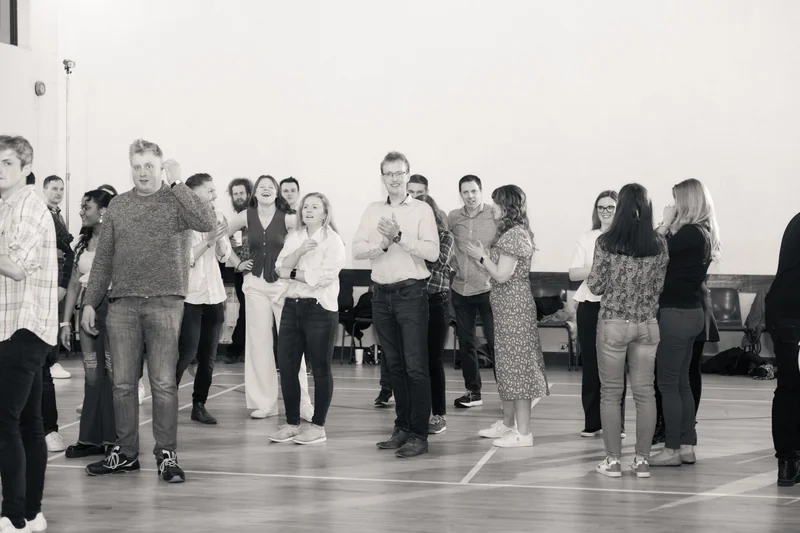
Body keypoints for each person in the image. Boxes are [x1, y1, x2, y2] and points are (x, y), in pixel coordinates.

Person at [82, 139, 216, 483]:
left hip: (165, 303)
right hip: (122, 305)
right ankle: (125, 454)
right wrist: (88, 302)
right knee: (123, 385)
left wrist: (179, 183)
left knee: (163, 384)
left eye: (149, 166)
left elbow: (206, 220)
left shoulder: (177, 199)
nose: (143, 172)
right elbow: (103, 261)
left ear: (161, 168)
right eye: (137, 166)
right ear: (131, 168)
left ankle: (166, 455)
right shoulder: (119, 206)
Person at [353, 151, 439, 458]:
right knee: (395, 366)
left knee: (416, 368)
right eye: (388, 173)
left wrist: (399, 236)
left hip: (411, 294)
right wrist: (384, 244)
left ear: (408, 175)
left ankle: (419, 434)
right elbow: (357, 250)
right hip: (381, 295)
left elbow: (432, 253)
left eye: (399, 173)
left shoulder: (422, 210)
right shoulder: (372, 209)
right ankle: (402, 428)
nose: (394, 178)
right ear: (382, 177)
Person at [588, 183, 668, 479]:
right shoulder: (659, 243)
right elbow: (659, 287)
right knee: (645, 393)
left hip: (613, 324)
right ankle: (643, 461)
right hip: (647, 325)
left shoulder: (606, 241)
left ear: (619, 207)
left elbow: (595, 286)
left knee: (610, 393)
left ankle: (612, 462)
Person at [0, 135, 56, 533]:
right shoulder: (8, 207)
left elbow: (16, 267)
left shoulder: (27, 207)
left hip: (23, 325)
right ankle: (32, 514)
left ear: (24, 168)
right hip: (17, 325)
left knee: (5, 422)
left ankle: (13, 516)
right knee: (27, 424)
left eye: (6, 163)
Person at [227, 175, 314, 420]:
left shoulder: (288, 219)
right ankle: (264, 403)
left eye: (270, 187)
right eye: (261, 187)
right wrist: (236, 262)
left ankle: (302, 404)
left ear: (276, 193)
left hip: (282, 287)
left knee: (291, 345)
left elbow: (308, 239)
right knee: (258, 344)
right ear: (255, 193)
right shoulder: (246, 216)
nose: (265, 190)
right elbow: (221, 235)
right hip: (254, 285)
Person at [468, 185, 548, 447]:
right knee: (506, 367)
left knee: (517, 370)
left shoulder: (514, 235)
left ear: (507, 206)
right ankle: (508, 424)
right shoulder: (512, 233)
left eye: (496, 203)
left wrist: (482, 257)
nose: (492, 207)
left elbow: (502, 275)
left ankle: (523, 433)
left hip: (514, 309)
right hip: (506, 309)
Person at [650, 179, 720, 467]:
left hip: (676, 314)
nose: (673, 206)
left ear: (687, 202)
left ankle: (671, 449)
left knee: (668, 384)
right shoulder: (703, 232)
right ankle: (687, 446)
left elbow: (652, 253)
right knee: (681, 384)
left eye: (676, 200)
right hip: (692, 314)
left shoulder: (689, 232)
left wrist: (665, 223)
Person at [269, 192, 346, 444]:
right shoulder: (295, 237)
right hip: (292, 306)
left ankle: (318, 426)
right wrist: (299, 253)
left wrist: (293, 272)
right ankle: (292, 423)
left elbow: (324, 276)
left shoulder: (333, 241)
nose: (309, 210)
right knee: (288, 367)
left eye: (315, 207)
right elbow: (279, 269)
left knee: (320, 368)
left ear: (325, 213)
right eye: (306, 207)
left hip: (319, 309)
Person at [61, 189, 117, 459]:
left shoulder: (118, 238)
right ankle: (89, 439)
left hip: (113, 310)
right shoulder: (82, 244)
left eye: (87, 206)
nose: (82, 210)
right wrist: (64, 322)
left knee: (113, 375)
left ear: (103, 211)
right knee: (93, 376)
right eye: (81, 206)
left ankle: (114, 439)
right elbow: (73, 284)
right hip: (86, 312)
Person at [569, 190, 627, 439]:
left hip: (617, 307)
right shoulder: (588, 237)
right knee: (591, 365)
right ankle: (592, 422)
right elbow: (573, 273)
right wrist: (600, 266)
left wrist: (595, 268)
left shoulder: (626, 239)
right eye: (601, 207)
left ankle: (617, 424)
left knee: (616, 366)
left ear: (619, 209)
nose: (605, 211)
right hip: (589, 306)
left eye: (610, 207)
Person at [175, 173, 231, 425]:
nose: (214, 195)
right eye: (209, 190)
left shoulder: (217, 217)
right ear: (193, 193)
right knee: (186, 353)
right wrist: (208, 241)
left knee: (209, 356)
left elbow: (224, 255)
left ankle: (199, 404)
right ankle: (167, 399)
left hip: (215, 296)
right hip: (190, 297)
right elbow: (185, 259)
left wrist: (219, 241)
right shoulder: (181, 219)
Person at [448, 175, 497, 408]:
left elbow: (502, 247)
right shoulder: (453, 217)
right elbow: (445, 243)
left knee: (495, 341)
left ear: (481, 191)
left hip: (488, 288)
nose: (470, 196)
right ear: (460, 194)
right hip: (460, 288)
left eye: (474, 191)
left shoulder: (493, 215)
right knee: (466, 343)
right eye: (465, 192)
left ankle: (508, 394)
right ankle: (473, 392)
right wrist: (450, 261)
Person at [38, 176, 73, 456]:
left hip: (42, 296)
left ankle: (50, 430)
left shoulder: (47, 216)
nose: (58, 193)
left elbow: (69, 250)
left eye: (62, 189)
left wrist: (61, 284)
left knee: (42, 371)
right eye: (54, 189)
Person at [766, 208, 800, 487]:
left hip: (782, 313)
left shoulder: (796, 221)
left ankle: (787, 464)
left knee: (788, 388)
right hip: (794, 315)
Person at [421, 195, 454, 435]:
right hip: (411, 303)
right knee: (413, 362)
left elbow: (438, 261)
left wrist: (413, 247)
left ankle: (438, 414)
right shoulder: (411, 239)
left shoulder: (445, 236)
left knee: (433, 361)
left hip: (436, 302)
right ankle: (417, 412)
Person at [224, 178, 253, 364]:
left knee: (252, 311)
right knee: (246, 310)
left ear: (249, 194)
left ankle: (237, 349)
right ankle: (236, 350)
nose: (239, 197)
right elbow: (221, 242)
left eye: (242, 193)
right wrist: (232, 247)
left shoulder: (255, 215)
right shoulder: (234, 220)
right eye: (236, 194)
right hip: (241, 272)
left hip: (259, 270)